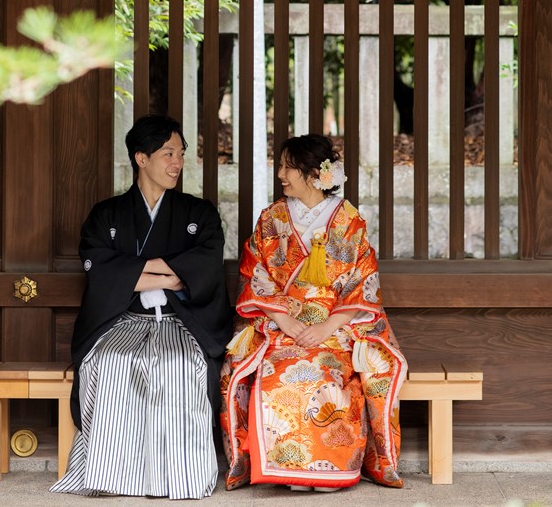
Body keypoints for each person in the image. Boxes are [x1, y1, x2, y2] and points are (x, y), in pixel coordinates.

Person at [51, 114, 233, 499]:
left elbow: (203, 267)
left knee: (181, 367)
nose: (177, 163)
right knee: (112, 363)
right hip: (123, 320)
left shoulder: (198, 213)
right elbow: (99, 272)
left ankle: (179, 477)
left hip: (181, 321)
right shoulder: (107, 215)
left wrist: (130, 271)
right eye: (168, 153)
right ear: (141, 158)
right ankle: (113, 475)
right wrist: (168, 275)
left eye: (181, 154)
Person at [220, 134, 407, 492]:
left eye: (288, 167)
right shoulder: (272, 218)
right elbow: (254, 274)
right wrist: (285, 321)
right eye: (281, 166)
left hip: (336, 326)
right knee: (263, 371)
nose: (281, 174)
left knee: (326, 373)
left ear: (312, 173)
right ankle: (276, 467)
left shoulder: (349, 221)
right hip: (279, 323)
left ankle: (331, 469)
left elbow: (362, 282)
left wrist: (327, 327)